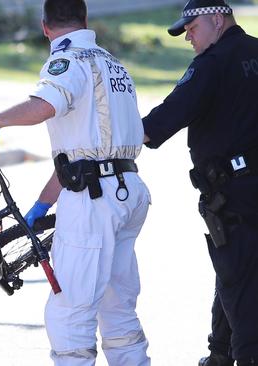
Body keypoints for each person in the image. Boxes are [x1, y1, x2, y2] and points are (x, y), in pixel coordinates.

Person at [0, 0, 151, 364]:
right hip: (126, 191)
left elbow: (44, 106)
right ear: (85, 19)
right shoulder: (114, 64)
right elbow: (86, 153)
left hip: (95, 202)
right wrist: (43, 205)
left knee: (71, 310)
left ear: (44, 27)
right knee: (117, 307)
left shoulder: (67, 61)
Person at [142, 0, 258, 365]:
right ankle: (219, 355)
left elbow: (158, 124)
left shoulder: (211, 64)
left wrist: (110, 132)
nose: (188, 37)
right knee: (238, 277)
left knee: (241, 287)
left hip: (233, 195)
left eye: (192, 29)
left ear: (217, 19)